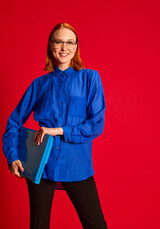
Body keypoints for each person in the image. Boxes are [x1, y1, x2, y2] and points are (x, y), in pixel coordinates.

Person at [2, 22, 108, 229]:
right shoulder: (39, 84)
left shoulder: (90, 78)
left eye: (70, 42)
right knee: (39, 226)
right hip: (41, 166)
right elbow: (13, 122)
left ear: (76, 47)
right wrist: (12, 156)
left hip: (77, 166)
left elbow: (96, 125)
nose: (64, 47)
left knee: (96, 225)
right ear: (50, 45)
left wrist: (58, 130)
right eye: (59, 41)